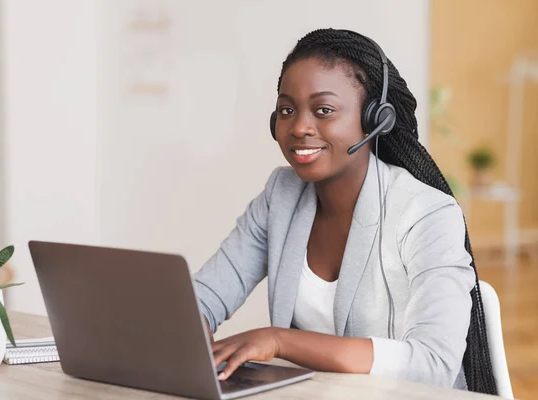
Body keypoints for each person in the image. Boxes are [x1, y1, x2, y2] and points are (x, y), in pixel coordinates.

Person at [193, 29, 497, 395]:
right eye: (287, 110)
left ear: (374, 119)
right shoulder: (281, 195)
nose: (300, 127)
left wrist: (280, 341)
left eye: (323, 110)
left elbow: (431, 364)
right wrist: (184, 330)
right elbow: (204, 296)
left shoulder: (427, 214)